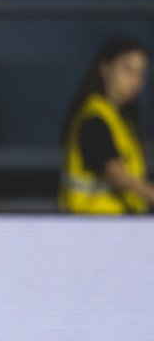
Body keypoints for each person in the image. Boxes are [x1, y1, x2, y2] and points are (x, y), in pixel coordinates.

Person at [58, 36, 154, 214]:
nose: (135, 80)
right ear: (105, 68)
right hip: (93, 227)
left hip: (119, 226)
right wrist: (149, 193)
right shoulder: (94, 119)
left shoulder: (123, 122)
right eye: (128, 69)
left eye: (141, 73)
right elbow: (115, 173)